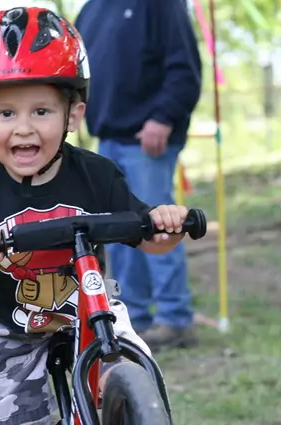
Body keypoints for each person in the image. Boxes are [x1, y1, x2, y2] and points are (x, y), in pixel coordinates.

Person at [0, 7, 192, 425]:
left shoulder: (98, 175)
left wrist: (166, 227)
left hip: (91, 316)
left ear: (72, 114)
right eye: (6, 114)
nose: (25, 128)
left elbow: (145, 237)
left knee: (132, 372)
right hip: (9, 325)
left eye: (41, 111)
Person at [75, 0, 203, 350]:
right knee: (122, 231)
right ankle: (134, 318)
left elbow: (185, 69)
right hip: (108, 139)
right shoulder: (92, 9)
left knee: (161, 224)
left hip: (147, 139)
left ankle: (175, 318)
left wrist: (162, 118)